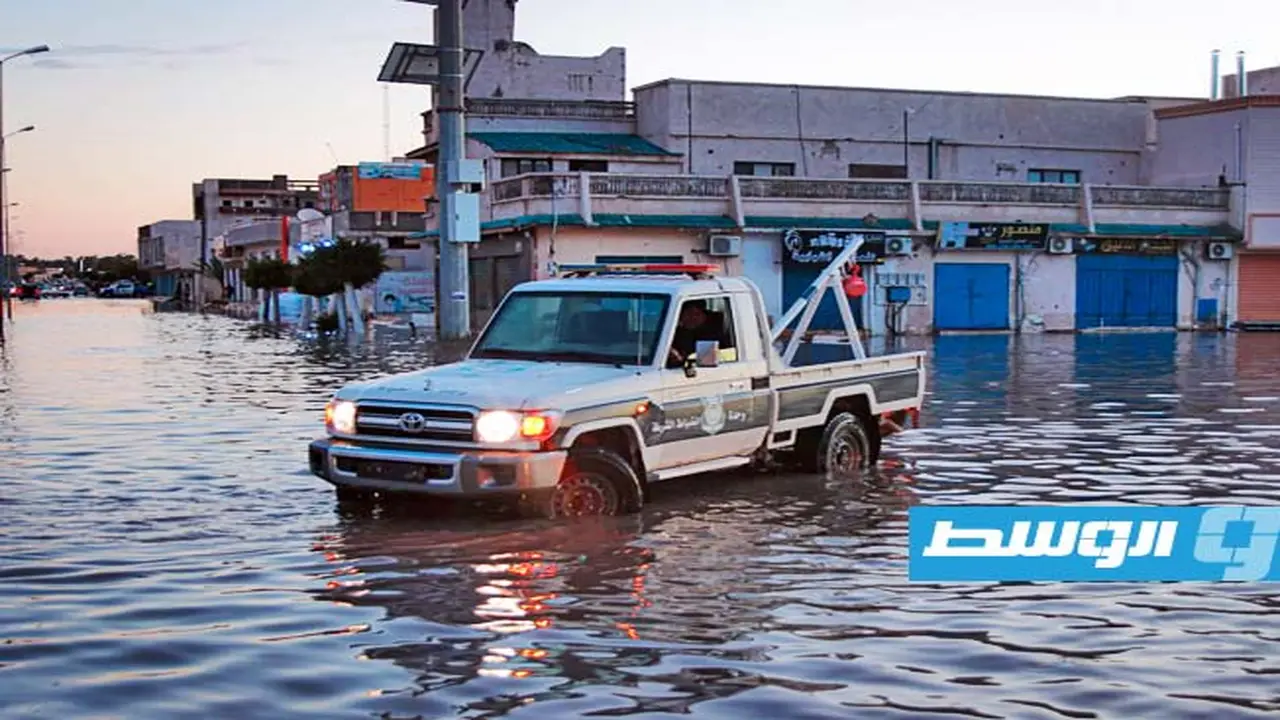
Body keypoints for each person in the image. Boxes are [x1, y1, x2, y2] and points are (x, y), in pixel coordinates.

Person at [666, 300, 727, 369]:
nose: (684, 319)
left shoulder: (722, 326)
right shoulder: (679, 331)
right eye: (681, 316)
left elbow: (706, 363)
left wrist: (682, 360)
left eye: (690, 314)